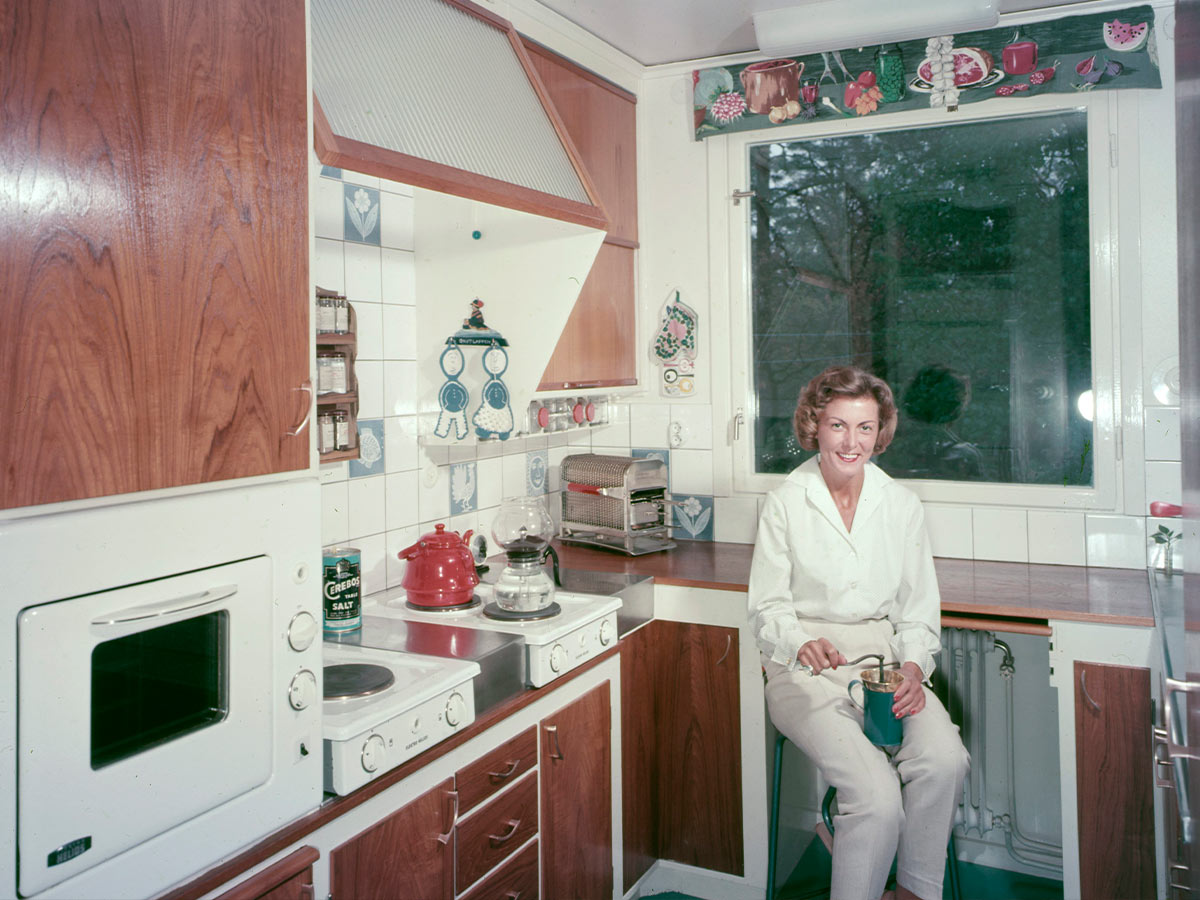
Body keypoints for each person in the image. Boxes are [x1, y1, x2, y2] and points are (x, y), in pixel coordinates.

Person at [749, 365, 969, 900]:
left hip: (881, 662)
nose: (852, 442)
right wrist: (799, 640)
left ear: (881, 432)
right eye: (838, 426)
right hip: (804, 667)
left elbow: (918, 609)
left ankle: (914, 893)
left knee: (944, 761)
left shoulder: (901, 506)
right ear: (814, 427)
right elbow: (767, 607)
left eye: (865, 428)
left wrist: (914, 668)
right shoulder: (784, 502)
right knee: (874, 796)